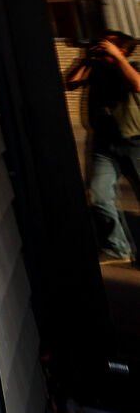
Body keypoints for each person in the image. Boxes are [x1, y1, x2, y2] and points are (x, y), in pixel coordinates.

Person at [66, 30, 140, 263]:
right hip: (103, 144)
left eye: (109, 45)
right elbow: (70, 83)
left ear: (124, 51)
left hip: (135, 141)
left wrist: (117, 58)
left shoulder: (133, 66)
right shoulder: (95, 68)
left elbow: (137, 85)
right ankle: (117, 248)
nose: (104, 48)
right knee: (99, 196)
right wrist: (87, 58)